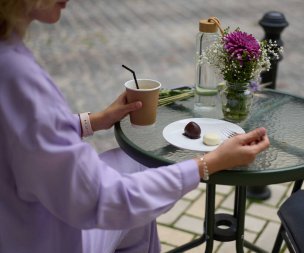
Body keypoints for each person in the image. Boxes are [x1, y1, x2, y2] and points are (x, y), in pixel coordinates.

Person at [0, 0, 270, 252]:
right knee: (141, 179)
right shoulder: (16, 76)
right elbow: (105, 200)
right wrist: (207, 164)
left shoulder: (10, 58)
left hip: (26, 219)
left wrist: (93, 121)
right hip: (44, 238)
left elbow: (26, 136)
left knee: (131, 164)